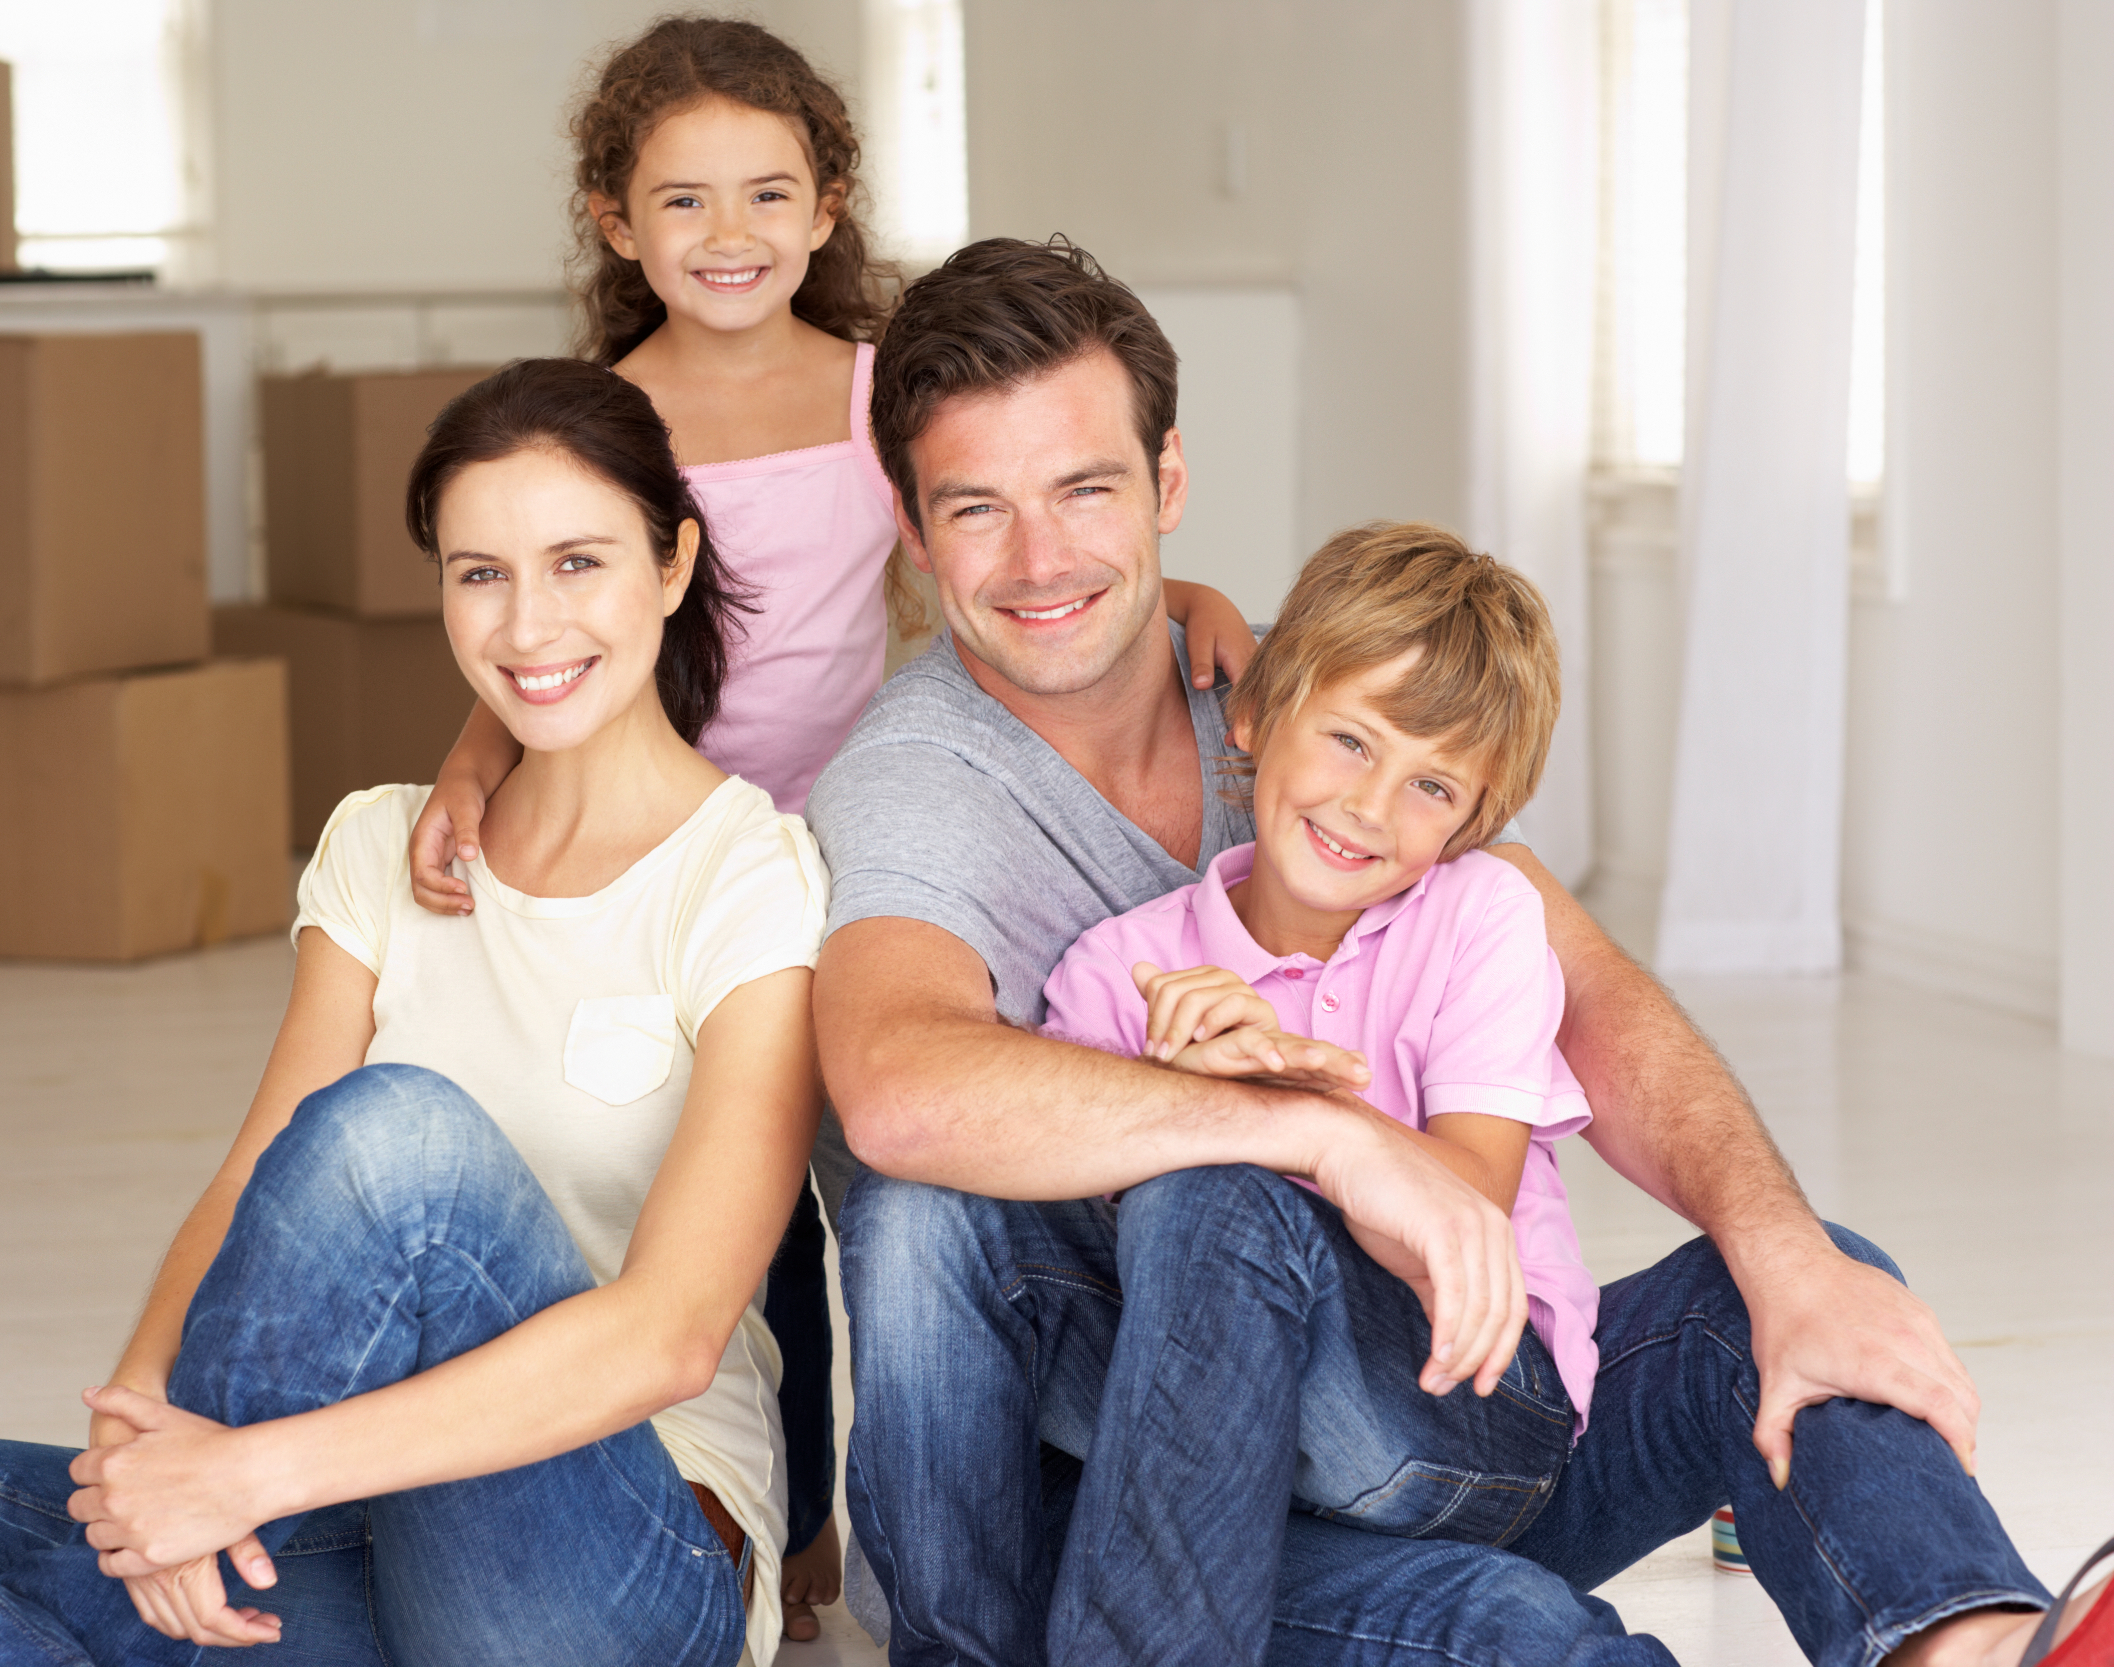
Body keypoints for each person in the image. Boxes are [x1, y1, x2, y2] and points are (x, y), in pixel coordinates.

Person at [808, 234, 2106, 1666]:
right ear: (913, 530)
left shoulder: (1297, 697)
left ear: (1167, 482)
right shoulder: (924, 783)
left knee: (1796, 1270)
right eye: (977, 508)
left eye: (1086, 488)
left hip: (1441, 1409)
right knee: (1044, 1216)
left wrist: (1781, 1248)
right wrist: (1322, 1137)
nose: (1043, 556)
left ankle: (1971, 1645)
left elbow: (1585, 989)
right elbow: (894, 1089)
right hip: (1154, 1517)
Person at [0, 358, 829, 1667]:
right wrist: (142, 1436)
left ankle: (156, 1616)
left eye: (577, 562)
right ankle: (171, 1615)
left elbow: (669, 1335)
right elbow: (254, 1184)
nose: (525, 623)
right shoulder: (382, 841)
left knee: (401, 1139)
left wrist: (237, 1477)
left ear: (672, 564)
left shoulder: (752, 875)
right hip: (329, 1519)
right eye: (478, 570)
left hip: (605, 1566)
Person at [398, 17, 1256, 1637]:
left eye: (766, 194)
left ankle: (829, 1533)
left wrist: (1193, 589)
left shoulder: (880, 397)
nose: (729, 237)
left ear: (829, 204)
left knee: (841, 1197)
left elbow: (1030, 532)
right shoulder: (603, 411)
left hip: (857, 854)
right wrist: (467, 761)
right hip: (675, 855)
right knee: (705, 1199)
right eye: (685, 202)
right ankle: (738, 1505)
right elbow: (547, 620)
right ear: (614, 221)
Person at [1030, 522, 1606, 1655]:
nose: (1369, 806)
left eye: (1430, 783)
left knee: (1220, 1191)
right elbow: (1076, 1278)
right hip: (1223, 1475)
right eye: (1348, 739)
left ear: (1471, 822)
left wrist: (1276, 1116)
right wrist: (1171, 1098)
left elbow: (1469, 1197)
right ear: (1252, 720)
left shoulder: (1477, 914)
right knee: (1520, 1625)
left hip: (1460, 1402)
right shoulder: (1118, 972)